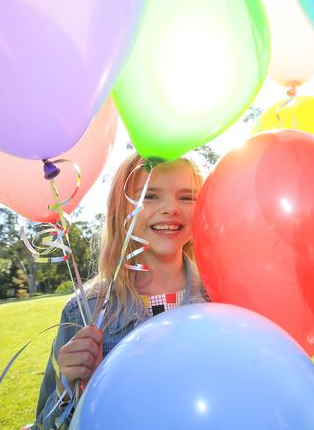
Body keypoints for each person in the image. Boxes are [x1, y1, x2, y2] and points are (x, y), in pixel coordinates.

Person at [34, 153, 210, 428]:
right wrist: (70, 389)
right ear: (122, 209)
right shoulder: (86, 309)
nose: (171, 208)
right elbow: (47, 424)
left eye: (186, 197)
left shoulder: (220, 299)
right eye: (149, 196)